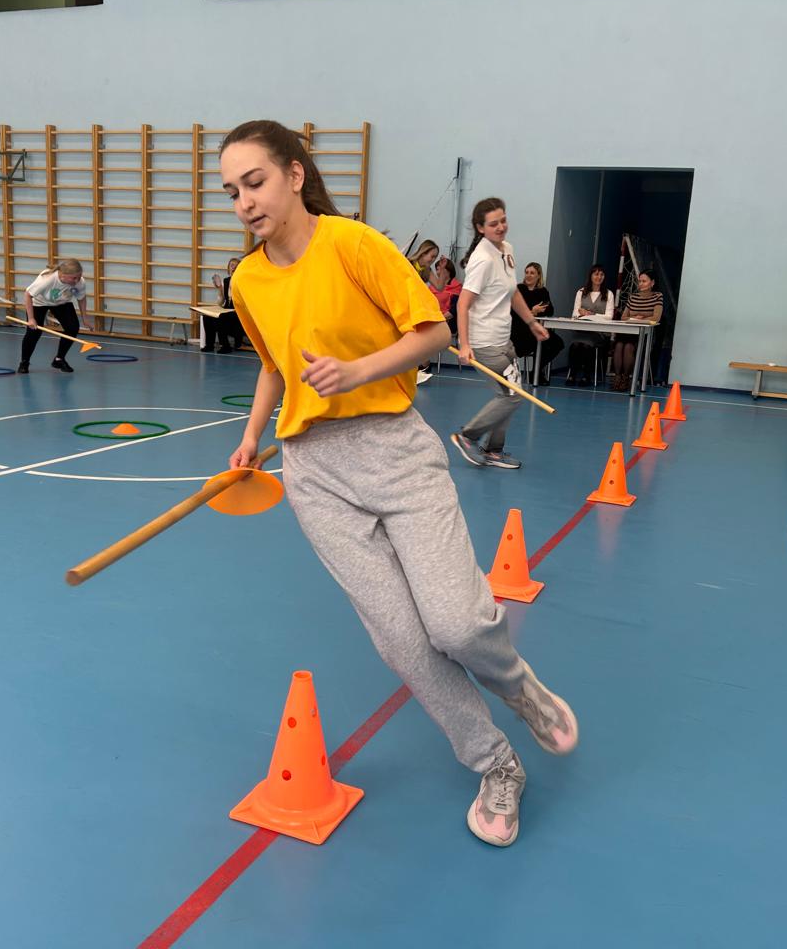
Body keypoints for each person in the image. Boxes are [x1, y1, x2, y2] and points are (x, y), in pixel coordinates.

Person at [221, 120, 577, 848]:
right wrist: (253, 436)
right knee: (404, 646)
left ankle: (518, 686)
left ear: (294, 174)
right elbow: (273, 366)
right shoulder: (248, 279)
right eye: (231, 191)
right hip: (313, 471)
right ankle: (497, 764)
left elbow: (433, 333)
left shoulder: (354, 245)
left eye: (254, 182)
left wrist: (356, 371)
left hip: (394, 452)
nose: (244, 202)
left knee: (457, 624)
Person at [450, 197, 548, 470]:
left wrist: (531, 322)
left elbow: (512, 291)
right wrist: (465, 345)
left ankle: (493, 451)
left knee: (511, 395)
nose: (501, 227)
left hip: (504, 340)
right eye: (493, 224)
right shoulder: (482, 260)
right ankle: (467, 436)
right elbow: (463, 304)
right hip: (485, 343)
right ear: (480, 228)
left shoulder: (506, 250)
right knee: (513, 394)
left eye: (503, 220)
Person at [19, 258, 91, 373]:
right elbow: (28, 295)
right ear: (63, 275)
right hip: (39, 302)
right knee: (34, 332)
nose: (77, 280)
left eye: (79, 276)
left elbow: (81, 298)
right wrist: (31, 319)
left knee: (72, 328)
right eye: (74, 278)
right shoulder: (47, 280)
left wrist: (85, 318)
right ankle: (24, 362)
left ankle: (59, 359)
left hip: (61, 302)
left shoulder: (79, 282)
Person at [511, 261, 563, 385]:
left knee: (557, 343)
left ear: (538, 276)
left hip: (536, 329)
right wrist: (532, 312)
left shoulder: (542, 291)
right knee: (540, 342)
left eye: (532, 273)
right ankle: (537, 375)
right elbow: (513, 312)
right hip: (519, 331)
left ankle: (535, 371)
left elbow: (550, 310)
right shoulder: (519, 289)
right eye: (527, 272)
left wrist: (540, 310)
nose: (528, 275)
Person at [611, 269, 662, 391]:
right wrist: (635, 319)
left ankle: (626, 378)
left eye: (644, 281)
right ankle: (617, 377)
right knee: (619, 345)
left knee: (628, 347)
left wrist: (641, 319)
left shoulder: (657, 296)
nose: (641, 284)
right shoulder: (633, 297)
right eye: (640, 281)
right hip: (629, 330)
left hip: (644, 333)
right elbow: (624, 317)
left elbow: (656, 318)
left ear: (652, 282)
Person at [566, 263, 615, 385]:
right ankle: (572, 374)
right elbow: (574, 314)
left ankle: (586, 375)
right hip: (582, 331)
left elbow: (609, 316)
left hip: (599, 333)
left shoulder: (608, 294)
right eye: (596, 274)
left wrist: (591, 314)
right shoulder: (581, 292)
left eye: (602, 274)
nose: (599, 277)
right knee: (575, 345)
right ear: (591, 276)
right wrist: (582, 314)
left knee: (586, 346)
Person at [206, 257, 245, 353]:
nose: (233, 268)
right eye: (232, 265)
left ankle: (225, 346)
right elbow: (220, 301)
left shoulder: (243, 281)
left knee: (221, 317)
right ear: (228, 268)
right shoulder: (226, 281)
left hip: (238, 312)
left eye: (236, 266)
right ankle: (209, 345)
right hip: (227, 310)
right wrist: (220, 288)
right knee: (207, 317)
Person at [428, 255, 463, 338]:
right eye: (437, 270)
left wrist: (438, 320)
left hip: (448, 327)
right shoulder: (432, 287)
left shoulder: (456, 287)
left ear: (448, 270)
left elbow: (454, 310)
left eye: (439, 269)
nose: (437, 272)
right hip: (431, 324)